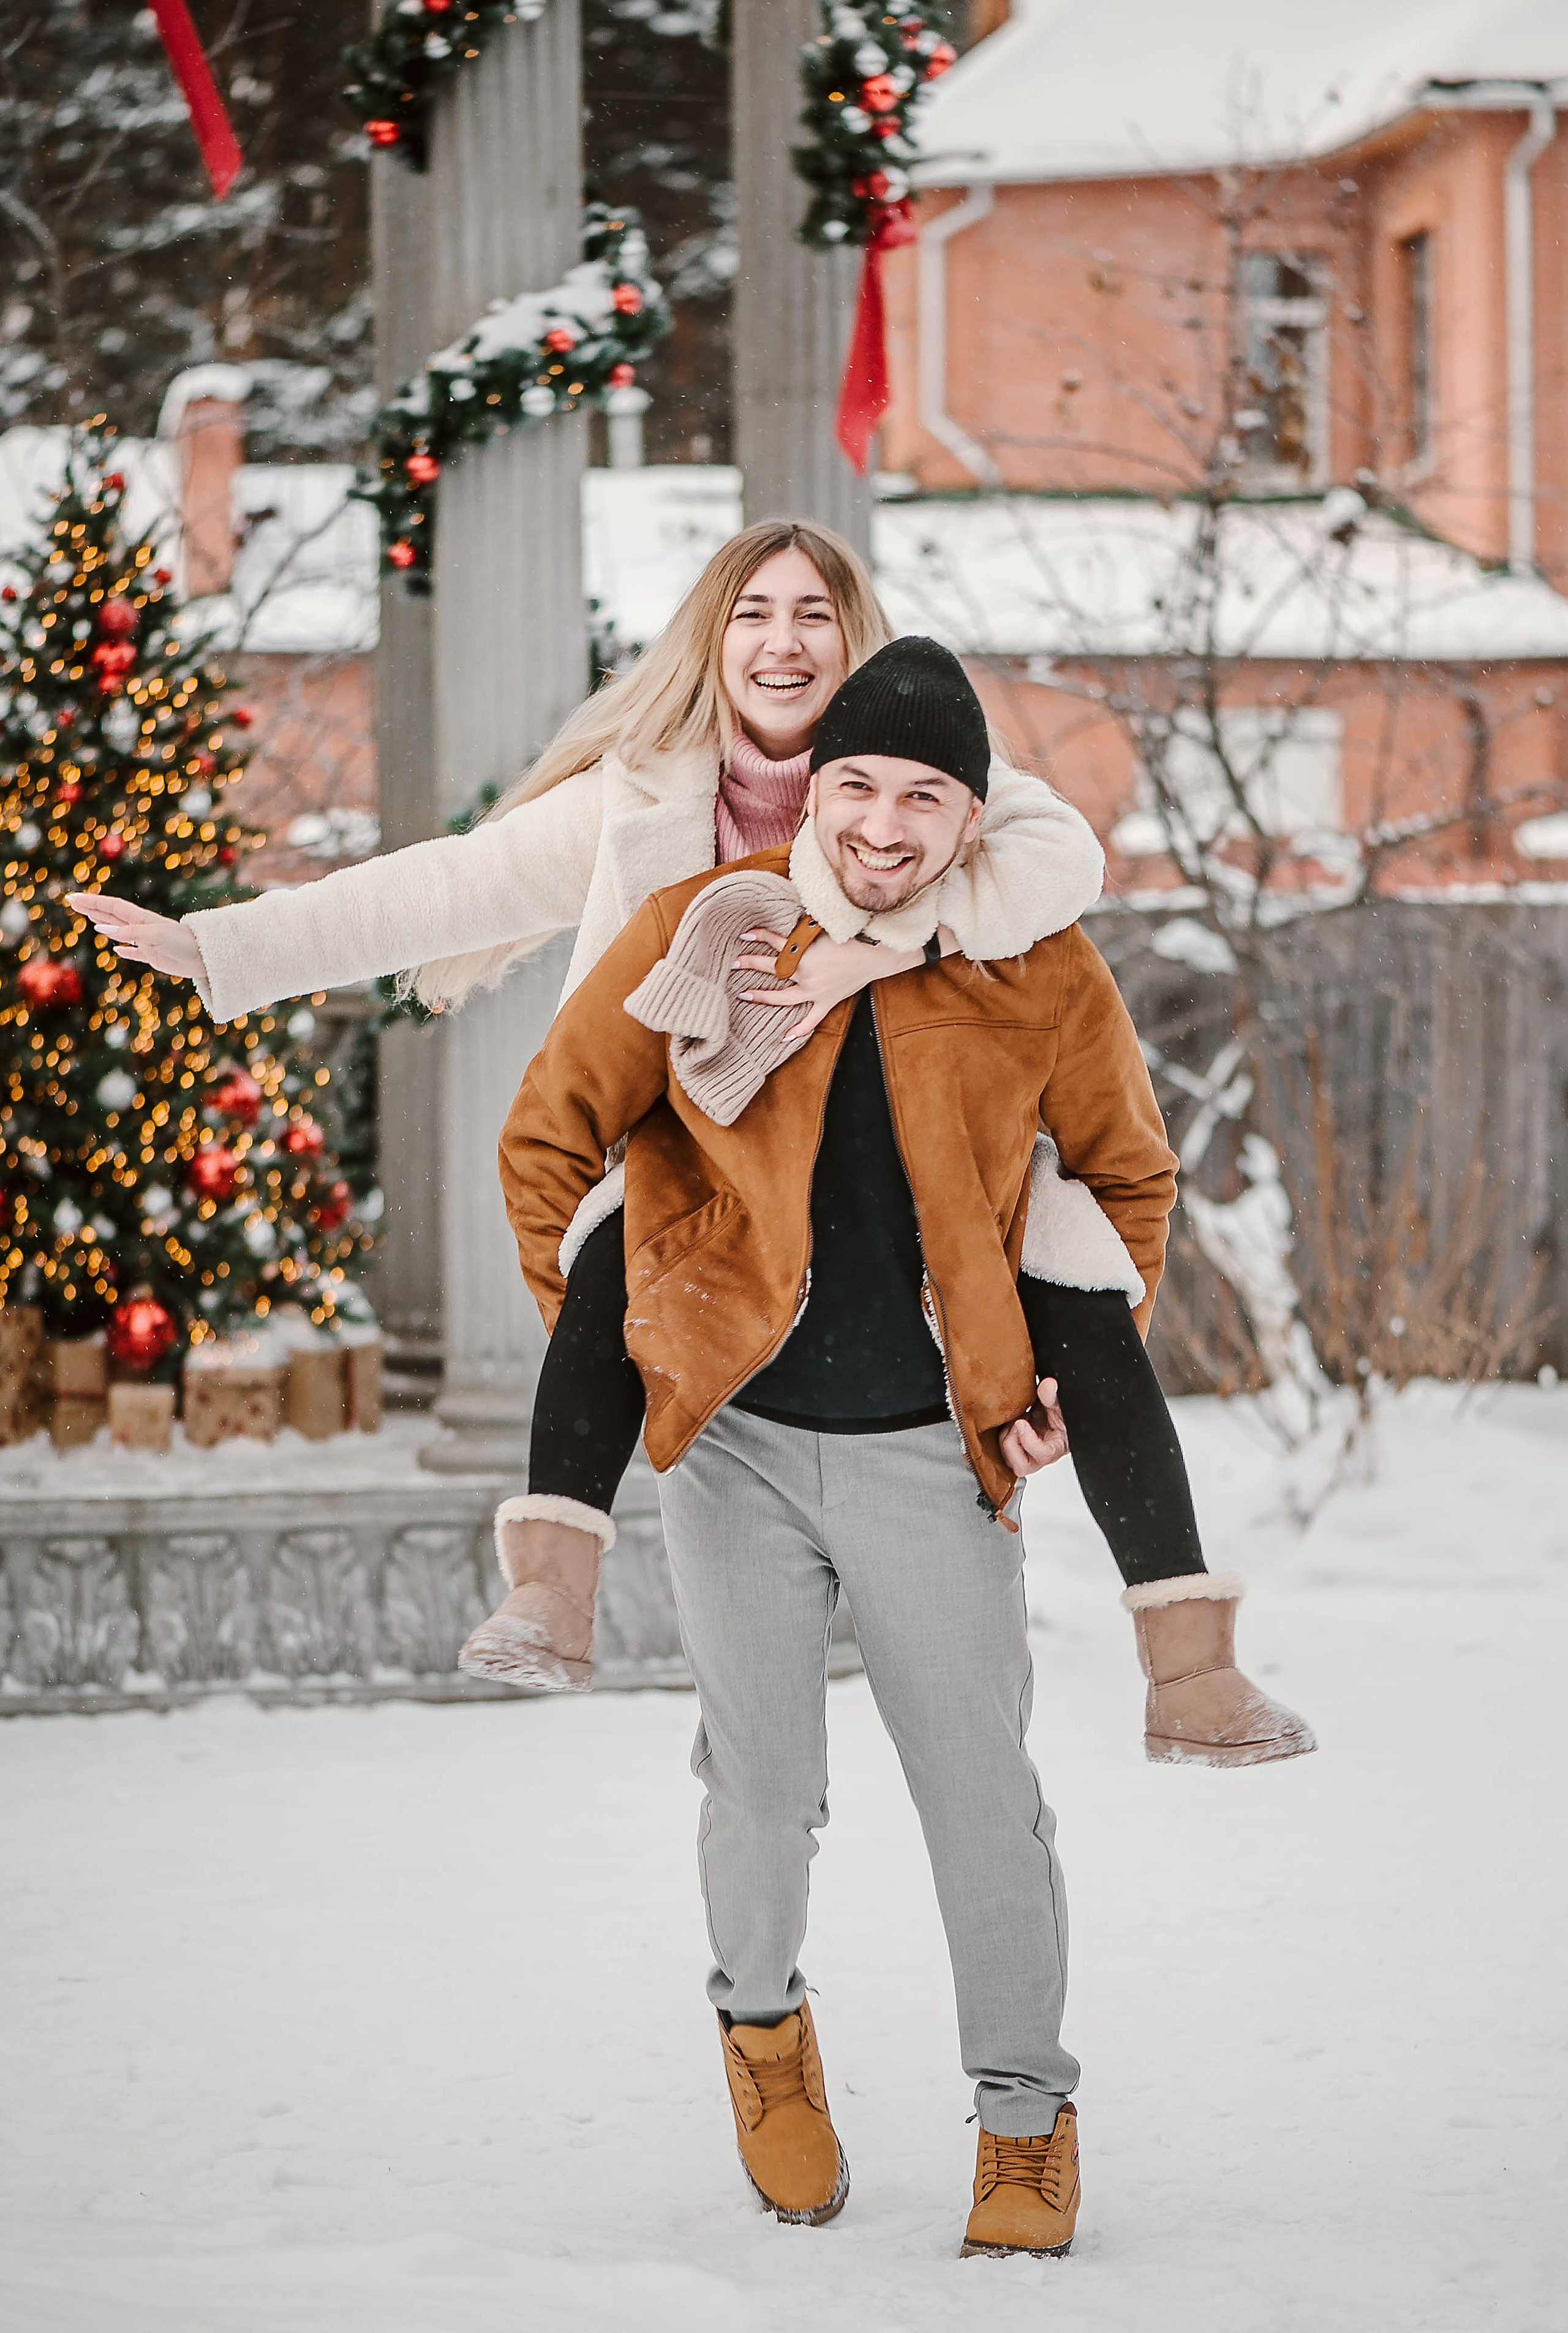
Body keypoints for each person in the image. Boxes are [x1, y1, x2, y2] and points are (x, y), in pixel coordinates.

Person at [69, 522, 1294, 1757]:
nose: (782, 637)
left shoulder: (917, 763)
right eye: (752, 611)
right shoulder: (640, 806)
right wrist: (226, 948)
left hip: (917, 1167)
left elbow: (1060, 856)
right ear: (714, 640)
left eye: (812, 612)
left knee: (1076, 1254)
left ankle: (1187, 1669)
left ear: (849, 635)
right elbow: (446, 886)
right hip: (714, 1179)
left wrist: (894, 943)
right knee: (618, 1213)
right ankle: (552, 1583)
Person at [496, 637, 1316, 2256]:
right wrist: (639, 1339)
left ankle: (1024, 2118)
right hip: (732, 1451)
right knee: (761, 1794)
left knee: (980, 1804)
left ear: (968, 814)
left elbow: (1127, 1182)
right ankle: (762, 2033)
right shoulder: (709, 935)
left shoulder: (1038, 972)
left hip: (933, 1460)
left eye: (921, 796)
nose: (880, 823)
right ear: (814, 786)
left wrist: (1074, 1353)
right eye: (855, 783)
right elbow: (551, 1137)